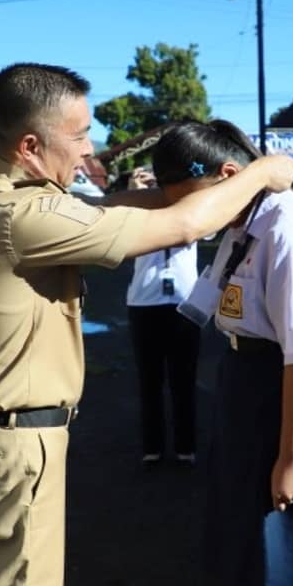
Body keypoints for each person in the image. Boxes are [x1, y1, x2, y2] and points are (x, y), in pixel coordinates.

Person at [0, 63, 293, 586]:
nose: (88, 149)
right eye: (78, 135)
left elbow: (102, 207)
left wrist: (183, 188)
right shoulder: (22, 215)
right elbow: (185, 225)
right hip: (11, 441)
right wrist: (261, 174)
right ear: (31, 145)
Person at [153, 119, 293, 586]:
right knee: (243, 527)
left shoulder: (289, 230)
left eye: (189, 199)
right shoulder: (243, 218)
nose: (189, 215)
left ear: (228, 176)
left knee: (288, 541)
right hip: (247, 376)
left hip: (292, 383)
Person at [123, 166, 201, 466]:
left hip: (184, 300)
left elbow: (210, 222)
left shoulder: (192, 210)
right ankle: (151, 446)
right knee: (149, 380)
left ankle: (186, 445)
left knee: (185, 379)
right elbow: (119, 236)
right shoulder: (138, 211)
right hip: (144, 301)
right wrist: (136, 195)